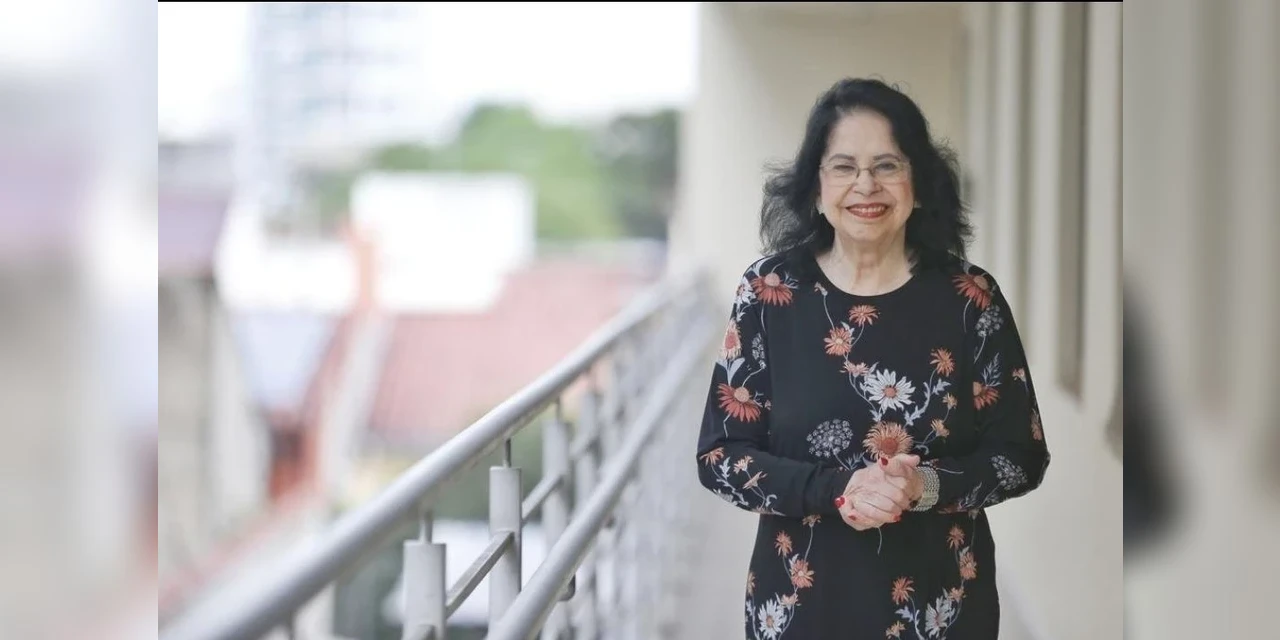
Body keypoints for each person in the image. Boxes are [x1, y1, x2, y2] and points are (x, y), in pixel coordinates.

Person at [694, 77, 1051, 639]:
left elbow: (1021, 455)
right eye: (844, 166)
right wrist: (840, 490)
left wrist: (922, 487)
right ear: (815, 186)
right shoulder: (769, 293)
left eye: (888, 165)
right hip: (800, 608)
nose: (866, 185)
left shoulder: (970, 299)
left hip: (942, 608)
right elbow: (721, 457)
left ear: (919, 183)